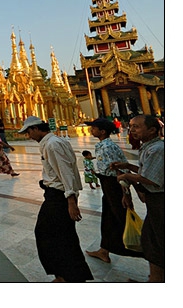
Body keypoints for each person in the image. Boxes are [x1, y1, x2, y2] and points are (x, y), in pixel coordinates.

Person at [19, 116, 93, 282]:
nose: (28, 136)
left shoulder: (52, 145)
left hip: (59, 196)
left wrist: (71, 201)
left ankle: (67, 275)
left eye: (29, 131)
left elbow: (66, 172)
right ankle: (70, 274)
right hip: (58, 193)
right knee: (62, 234)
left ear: (37, 129)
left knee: (49, 233)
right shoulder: (54, 142)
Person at [110, 114, 165, 282]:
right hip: (154, 202)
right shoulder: (148, 147)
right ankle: (155, 279)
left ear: (152, 130)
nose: (131, 130)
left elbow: (152, 180)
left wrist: (127, 175)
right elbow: (147, 171)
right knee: (151, 241)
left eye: (137, 126)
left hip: (160, 201)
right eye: (131, 126)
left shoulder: (157, 149)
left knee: (159, 241)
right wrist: (128, 166)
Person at [83, 118, 144, 264]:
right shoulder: (102, 145)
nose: (91, 130)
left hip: (115, 185)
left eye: (94, 128)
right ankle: (104, 250)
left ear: (102, 131)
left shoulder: (107, 147)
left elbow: (119, 170)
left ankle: (149, 253)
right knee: (109, 218)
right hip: (107, 184)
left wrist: (125, 194)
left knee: (121, 218)